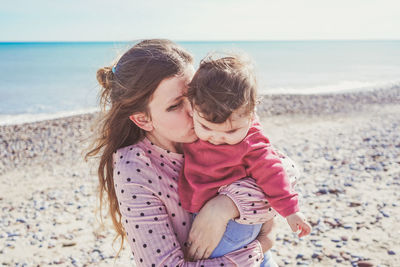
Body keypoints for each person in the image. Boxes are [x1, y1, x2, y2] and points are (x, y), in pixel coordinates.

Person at [86, 39, 294, 266]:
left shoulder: (214, 123)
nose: (195, 111)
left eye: (193, 95)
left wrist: (224, 207)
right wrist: (260, 247)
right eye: (175, 106)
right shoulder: (135, 168)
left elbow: (288, 170)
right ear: (143, 119)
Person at [180, 55, 312, 261]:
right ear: (191, 107)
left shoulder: (251, 141)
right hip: (219, 217)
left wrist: (291, 211)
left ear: (251, 115)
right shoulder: (192, 123)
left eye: (231, 132)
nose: (216, 138)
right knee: (260, 259)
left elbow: (273, 172)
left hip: (236, 225)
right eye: (206, 127)